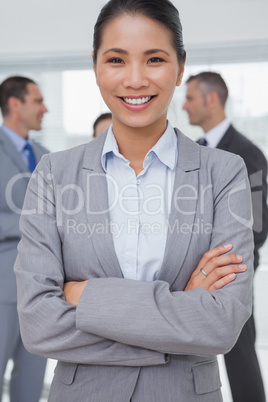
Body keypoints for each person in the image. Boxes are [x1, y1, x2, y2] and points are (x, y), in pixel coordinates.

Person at [15, 1, 254, 401]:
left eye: (155, 59)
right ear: (95, 66)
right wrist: (179, 311)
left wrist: (84, 295)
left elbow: (220, 326)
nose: (136, 79)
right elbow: (39, 325)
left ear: (180, 68)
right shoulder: (54, 174)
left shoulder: (225, 172)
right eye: (116, 60)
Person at [183, 71, 268, 402]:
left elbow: (258, 226)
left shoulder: (247, 153)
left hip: (233, 271)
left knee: (240, 354)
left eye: (190, 98)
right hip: (192, 273)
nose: (185, 106)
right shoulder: (193, 151)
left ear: (211, 99)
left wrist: (224, 264)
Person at [0, 76, 48, 401]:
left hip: (42, 289)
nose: (45, 109)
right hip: (3, 286)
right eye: (38, 101)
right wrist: (35, 222)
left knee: (32, 382)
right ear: (15, 104)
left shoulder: (46, 155)